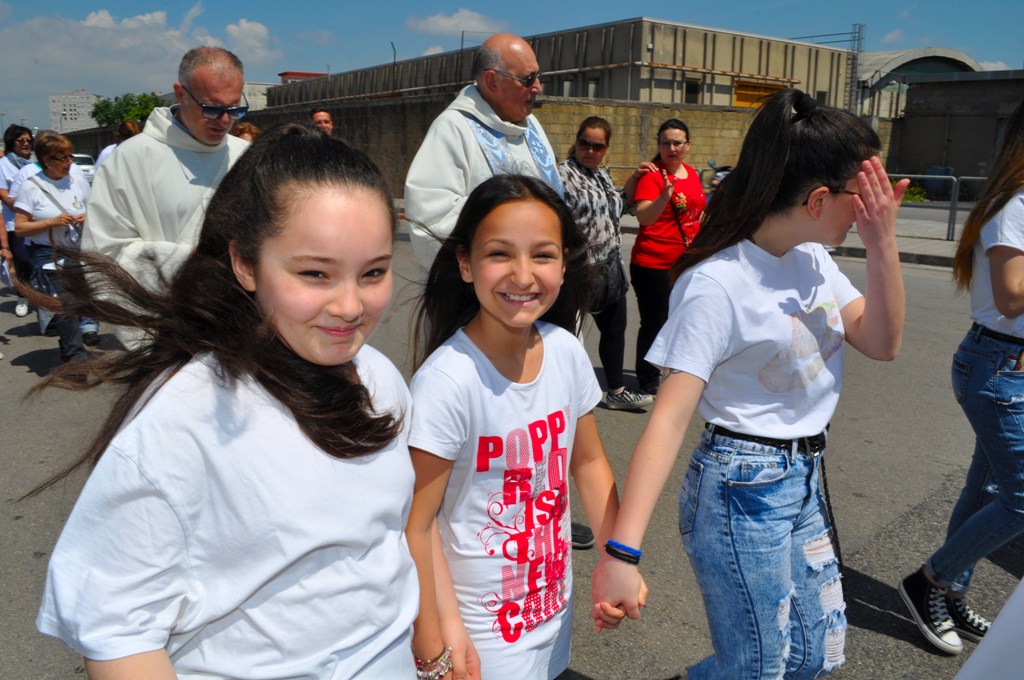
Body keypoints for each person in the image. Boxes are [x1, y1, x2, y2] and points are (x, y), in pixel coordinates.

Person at [34, 124, 419, 678]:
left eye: (374, 272)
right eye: (315, 273)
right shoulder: (187, 418)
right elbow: (119, 630)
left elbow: (390, 541)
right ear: (245, 264)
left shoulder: (379, 376)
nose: (350, 305)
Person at [591, 89, 909, 679]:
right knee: (759, 668)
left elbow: (882, 341)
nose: (874, 206)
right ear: (818, 199)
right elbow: (668, 421)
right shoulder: (718, 284)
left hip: (803, 477)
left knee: (815, 654)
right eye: (864, 194)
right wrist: (621, 555)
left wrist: (882, 243)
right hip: (742, 488)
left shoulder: (813, 258)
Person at [405, 175, 632, 679]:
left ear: (565, 263)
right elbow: (416, 524)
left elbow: (589, 462)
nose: (523, 275)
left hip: (553, 610)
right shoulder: (447, 382)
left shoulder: (567, 352)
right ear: (466, 263)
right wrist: (439, 637)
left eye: (543, 255)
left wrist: (617, 557)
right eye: (500, 254)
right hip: (478, 635)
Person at [898, 97, 1024, 657]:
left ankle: (950, 589)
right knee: (1021, 498)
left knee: (985, 489)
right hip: (996, 368)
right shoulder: (1016, 206)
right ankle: (928, 580)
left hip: (1011, 368)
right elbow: (1012, 296)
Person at [82, 46, 249, 298]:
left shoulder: (247, 155)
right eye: (212, 108)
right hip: (162, 313)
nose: (225, 121)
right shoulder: (129, 159)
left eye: (234, 109)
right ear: (181, 94)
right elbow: (102, 257)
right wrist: (194, 261)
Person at [404, 33, 561, 272]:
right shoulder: (453, 128)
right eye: (528, 79)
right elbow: (431, 218)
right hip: (485, 285)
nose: (538, 87)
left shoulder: (533, 128)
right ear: (492, 81)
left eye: (539, 76)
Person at [558, 115, 655, 410]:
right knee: (568, 336)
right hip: (577, 269)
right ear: (577, 142)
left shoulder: (600, 175)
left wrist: (634, 180)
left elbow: (617, 205)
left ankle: (616, 391)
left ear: (605, 149)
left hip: (608, 266)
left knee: (615, 328)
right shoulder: (562, 175)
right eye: (585, 143)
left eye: (598, 146)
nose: (590, 150)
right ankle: (562, 395)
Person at [630, 118, 708, 396]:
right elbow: (644, 217)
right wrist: (663, 197)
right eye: (666, 143)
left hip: (686, 263)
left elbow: (697, 213)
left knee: (681, 321)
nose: (672, 148)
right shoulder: (653, 176)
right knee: (655, 323)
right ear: (659, 146)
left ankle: (671, 371)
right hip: (653, 264)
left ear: (688, 145)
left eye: (677, 143)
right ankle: (648, 379)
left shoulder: (691, 173)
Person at [13, 132, 89, 363]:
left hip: (76, 251)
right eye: (63, 158)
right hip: (47, 254)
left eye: (70, 157)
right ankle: (77, 360)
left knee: (77, 305)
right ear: (47, 160)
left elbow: (94, 210)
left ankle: (68, 349)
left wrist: (86, 218)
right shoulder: (31, 186)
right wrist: (51, 222)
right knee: (65, 306)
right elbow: (19, 228)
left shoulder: (77, 181)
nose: (69, 162)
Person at [1, 124, 35, 318]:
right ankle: (23, 297)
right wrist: (29, 201)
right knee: (23, 260)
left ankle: (42, 296)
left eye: (28, 140)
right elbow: (5, 198)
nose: (25, 143)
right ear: (12, 142)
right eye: (21, 140)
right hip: (15, 223)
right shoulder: (3, 165)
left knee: (41, 260)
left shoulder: (35, 164)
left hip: (38, 221)